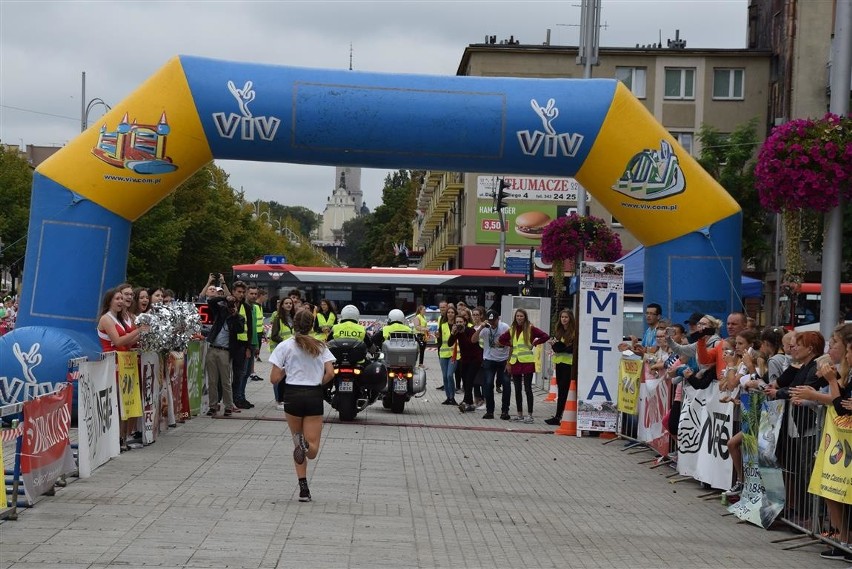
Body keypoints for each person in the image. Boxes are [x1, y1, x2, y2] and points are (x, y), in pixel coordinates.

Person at [791, 325, 852, 561]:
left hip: (840, 439)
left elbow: (839, 402)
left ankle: (844, 539)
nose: (833, 349)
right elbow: (841, 402)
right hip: (836, 439)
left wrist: (820, 391)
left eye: (835, 344)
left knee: (841, 493)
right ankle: (843, 540)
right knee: (831, 491)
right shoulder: (840, 369)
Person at [269, 309, 336, 502]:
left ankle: (303, 488)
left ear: (293, 325)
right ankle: (306, 446)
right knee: (313, 449)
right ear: (312, 324)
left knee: (296, 442)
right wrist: (318, 383)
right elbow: (331, 373)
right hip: (313, 394)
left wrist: (284, 371)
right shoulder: (320, 346)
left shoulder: (284, 346)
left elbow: (274, 379)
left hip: (292, 395)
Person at [499, 308, 549, 423]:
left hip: (527, 362)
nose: (519, 318)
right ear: (515, 318)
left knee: (527, 389)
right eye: (517, 316)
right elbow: (501, 339)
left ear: (525, 317)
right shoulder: (512, 329)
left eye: (521, 316)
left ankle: (530, 415)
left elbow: (545, 336)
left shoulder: (530, 328)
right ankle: (519, 414)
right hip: (515, 361)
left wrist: (534, 343)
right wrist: (509, 343)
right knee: (517, 389)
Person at [205, 288, 242, 418]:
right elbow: (211, 302)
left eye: (234, 304)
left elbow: (240, 330)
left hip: (225, 351)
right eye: (231, 304)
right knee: (212, 381)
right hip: (213, 348)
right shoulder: (220, 313)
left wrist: (235, 315)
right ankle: (213, 406)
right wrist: (225, 298)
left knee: (225, 381)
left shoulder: (238, 318)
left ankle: (228, 406)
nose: (232, 307)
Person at [472, 309, 509, 420]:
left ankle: (505, 411)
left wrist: (509, 360)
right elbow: (473, 340)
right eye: (490, 321)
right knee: (488, 384)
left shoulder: (504, 327)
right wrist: (481, 328)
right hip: (489, 359)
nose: (492, 324)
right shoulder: (485, 328)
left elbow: (513, 343)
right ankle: (490, 411)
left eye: (494, 321)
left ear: (498, 319)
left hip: (503, 360)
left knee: (506, 384)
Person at [545, 309, 577, 426]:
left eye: (566, 317)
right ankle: (558, 415)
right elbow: (557, 348)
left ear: (571, 319)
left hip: (569, 365)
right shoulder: (559, 331)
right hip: (559, 364)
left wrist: (560, 347)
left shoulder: (573, 332)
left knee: (565, 391)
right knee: (561, 391)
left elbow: (572, 348)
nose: (564, 319)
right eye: (562, 317)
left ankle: (560, 416)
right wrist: (556, 346)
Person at [448, 310, 483, 413]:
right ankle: (469, 403)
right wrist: (453, 333)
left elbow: (469, 343)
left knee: (469, 380)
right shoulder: (457, 332)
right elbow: (450, 343)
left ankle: (466, 403)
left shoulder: (470, 330)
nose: (459, 324)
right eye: (457, 322)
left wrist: (462, 332)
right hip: (465, 359)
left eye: (461, 322)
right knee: (465, 381)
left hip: (475, 359)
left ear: (465, 322)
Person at [230, 281, 254, 409]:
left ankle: (237, 398)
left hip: (241, 345)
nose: (241, 294)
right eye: (239, 292)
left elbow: (249, 328)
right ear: (233, 292)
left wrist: (249, 347)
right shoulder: (228, 305)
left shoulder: (247, 307)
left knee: (239, 374)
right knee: (225, 374)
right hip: (228, 343)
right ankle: (226, 399)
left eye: (243, 292)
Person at [269, 297, 295, 410]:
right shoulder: (278, 318)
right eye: (286, 303)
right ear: (282, 305)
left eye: (290, 303)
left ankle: (286, 399)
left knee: (289, 376)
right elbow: (274, 335)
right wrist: (285, 342)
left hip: (292, 350)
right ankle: (279, 400)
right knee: (280, 376)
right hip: (282, 350)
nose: (289, 305)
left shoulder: (294, 317)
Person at [436, 305, 458, 405]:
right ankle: (448, 397)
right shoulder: (443, 325)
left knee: (450, 375)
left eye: (452, 312)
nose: (450, 314)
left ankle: (452, 397)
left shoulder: (457, 326)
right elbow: (440, 340)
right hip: (443, 353)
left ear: (455, 314)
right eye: (448, 312)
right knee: (445, 376)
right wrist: (438, 337)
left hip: (454, 354)